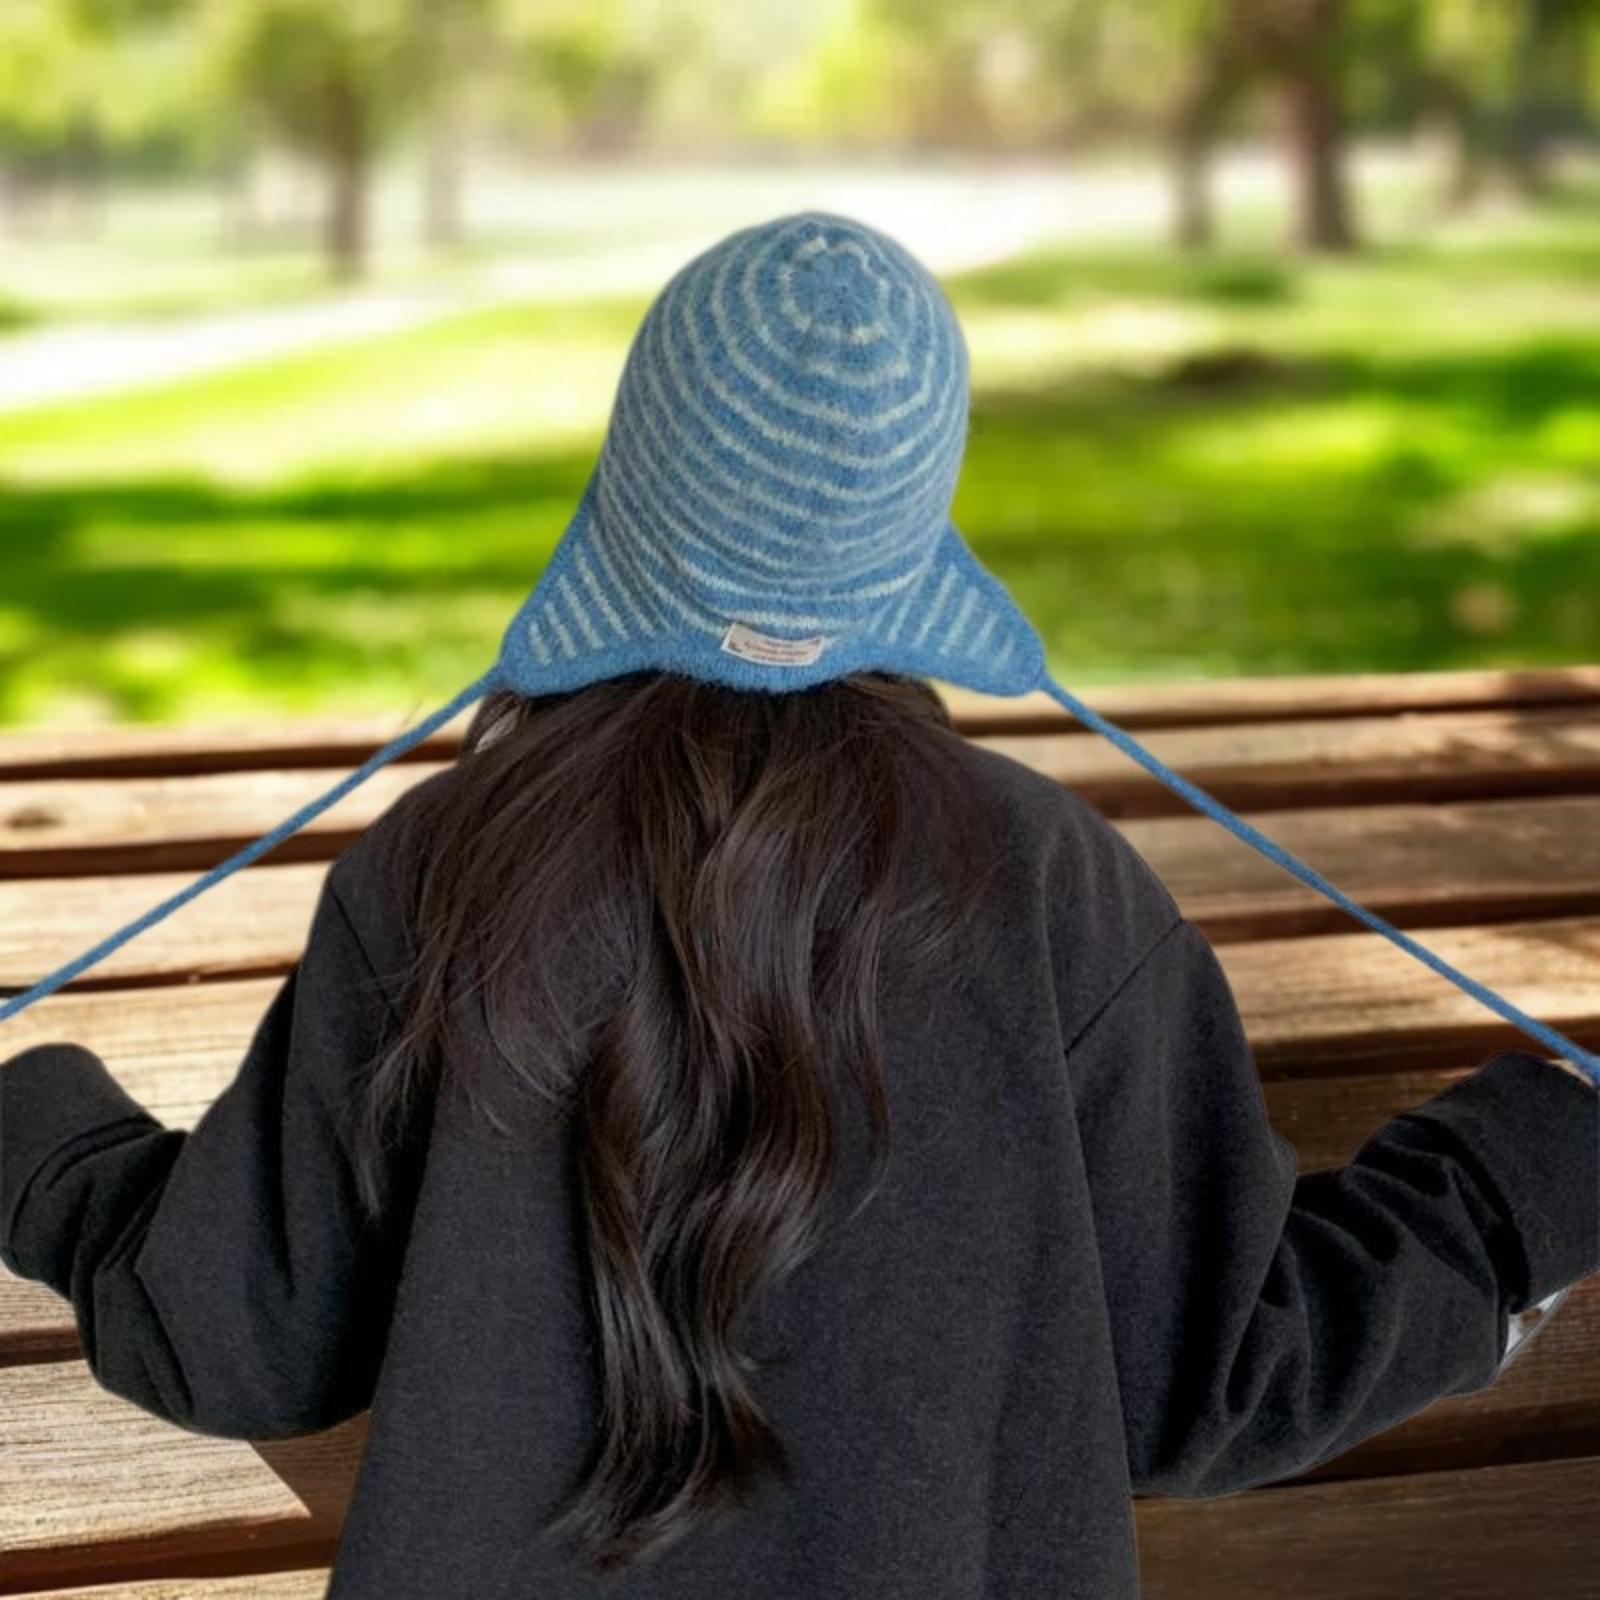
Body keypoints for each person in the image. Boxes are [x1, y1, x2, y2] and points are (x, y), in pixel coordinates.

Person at [2, 211, 1597, 1600]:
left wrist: (42, 1143)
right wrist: (1523, 1178)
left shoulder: (444, 869)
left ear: (633, 483)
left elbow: (232, 1331)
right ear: (914, 527)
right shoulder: (1055, 890)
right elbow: (1215, 1378)